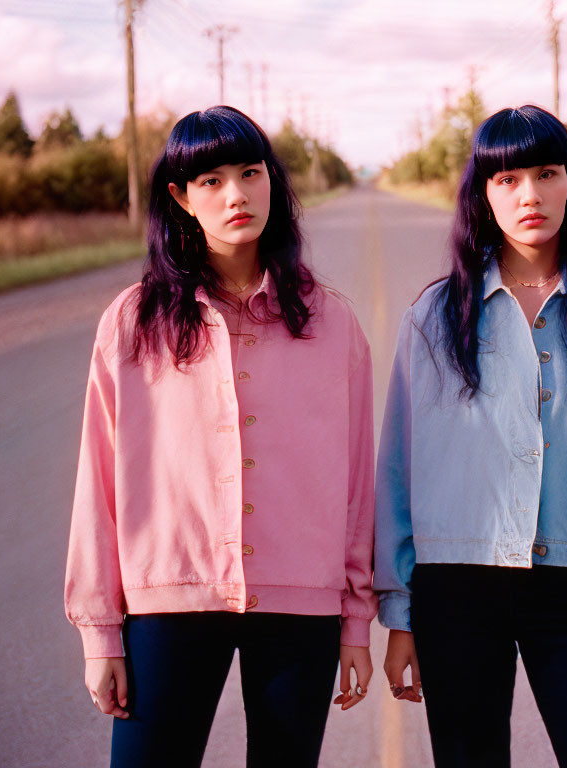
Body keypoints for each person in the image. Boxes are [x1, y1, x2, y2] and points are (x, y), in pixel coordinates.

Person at [374, 105, 567, 768]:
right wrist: (400, 612)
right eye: (508, 179)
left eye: (547, 173)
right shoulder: (434, 317)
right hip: (457, 589)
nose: (530, 195)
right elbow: (399, 474)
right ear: (481, 194)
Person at [64, 105, 376, 768]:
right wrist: (101, 636)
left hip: (301, 610)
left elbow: (356, 484)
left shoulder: (333, 325)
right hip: (170, 603)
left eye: (249, 173)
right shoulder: (132, 322)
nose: (235, 194)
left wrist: (355, 619)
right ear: (179, 198)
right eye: (209, 180)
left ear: (272, 182)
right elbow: (99, 480)